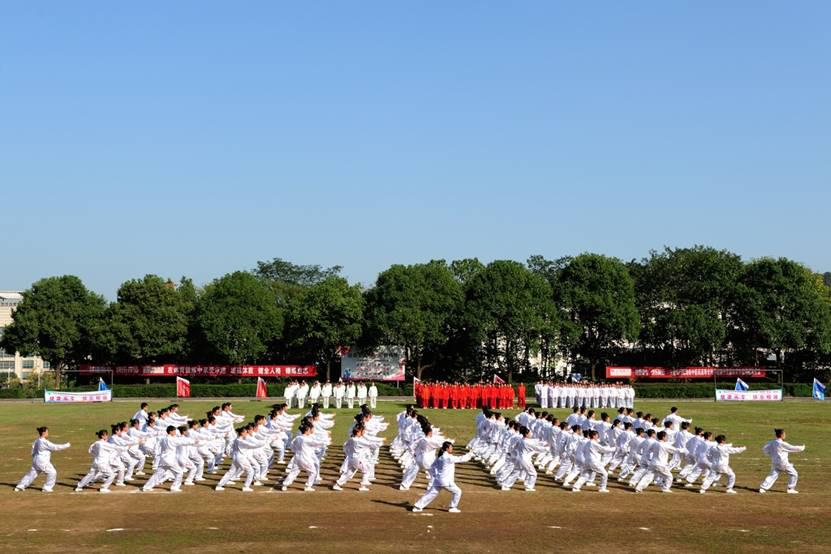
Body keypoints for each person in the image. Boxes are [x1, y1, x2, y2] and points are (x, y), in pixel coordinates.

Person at [411, 441, 474, 513]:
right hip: (446, 481)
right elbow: (460, 459)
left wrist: (435, 475)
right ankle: (452, 507)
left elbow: (433, 466)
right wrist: (470, 454)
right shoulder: (448, 457)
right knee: (458, 492)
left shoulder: (440, 457)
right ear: (447, 449)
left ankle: (418, 506)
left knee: (431, 493)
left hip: (438, 480)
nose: (452, 449)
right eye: (451, 447)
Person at [14, 427, 70, 493]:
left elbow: (33, 451)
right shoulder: (44, 442)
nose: (48, 433)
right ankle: (47, 487)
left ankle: (20, 486)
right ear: (44, 433)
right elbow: (55, 447)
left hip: (36, 460)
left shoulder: (36, 441)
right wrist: (66, 445)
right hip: (43, 461)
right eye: (47, 432)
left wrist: (35, 458)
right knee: (52, 472)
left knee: (31, 474)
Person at [759, 428, 805, 494]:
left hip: (775, 462)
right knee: (794, 474)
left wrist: (770, 454)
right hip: (783, 463)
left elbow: (764, 448)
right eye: (784, 434)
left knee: (772, 475)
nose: (785, 435)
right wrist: (802, 448)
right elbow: (791, 448)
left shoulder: (772, 442)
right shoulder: (782, 443)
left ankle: (762, 488)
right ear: (781, 435)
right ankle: (790, 488)